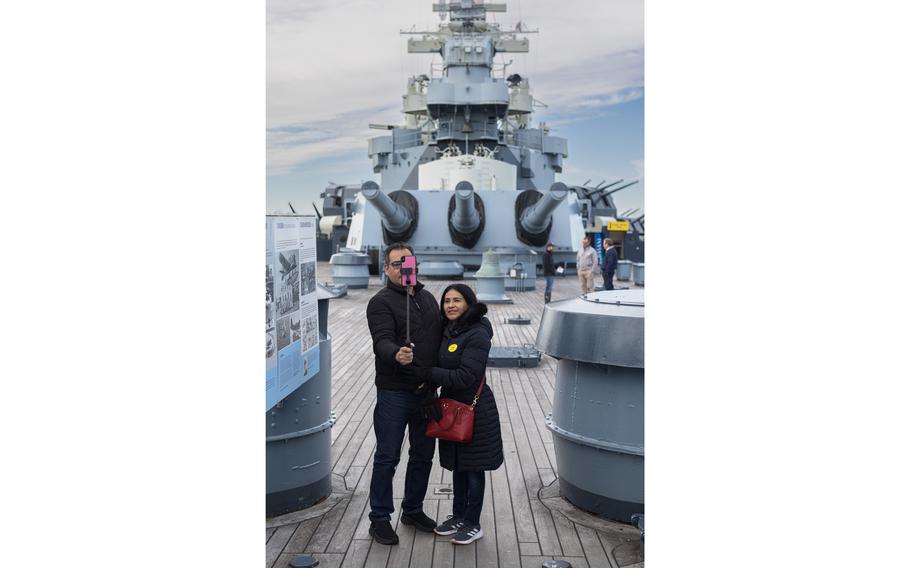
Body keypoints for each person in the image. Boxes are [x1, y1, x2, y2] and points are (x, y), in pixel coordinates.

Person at [412, 284, 503, 545]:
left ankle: (473, 522)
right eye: (447, 301)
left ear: (469, 304)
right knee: (458, 466)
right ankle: (459, 515)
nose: (451, 305)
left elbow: (466, 376)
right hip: (452, 407)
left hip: (474, 409)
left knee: (473, 469)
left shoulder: (477, 334)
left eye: (457, 300)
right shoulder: (450, 331)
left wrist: (429, 373)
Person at [365, 242, 443, 545]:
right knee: (387, 457)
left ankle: (412, 509)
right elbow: (381, 340)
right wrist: (396, 353)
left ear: (415, 266)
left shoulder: (427, 298)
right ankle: (379, 518)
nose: (402, 267)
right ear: (386, 269)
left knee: (423, 456)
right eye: (396, 264)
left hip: (426, 393)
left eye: (407, 262)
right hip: (395, 393)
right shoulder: (380, 302)